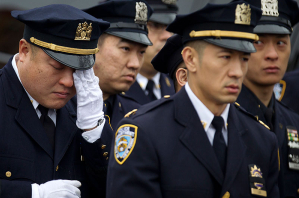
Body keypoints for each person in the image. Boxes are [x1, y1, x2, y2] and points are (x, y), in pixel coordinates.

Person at [106, 1, 280, 197]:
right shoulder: (147, 133)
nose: (237, 72)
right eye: (225, 57)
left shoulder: (262, 140)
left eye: (244, 59)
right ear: (190, 59)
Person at [0, 4, 110, 198]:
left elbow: (113, 187)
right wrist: (31, 194)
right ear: (24, 50)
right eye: (58, 67)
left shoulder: (84, 108)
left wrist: (94, 132)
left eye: (78, 70)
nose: (68, 82)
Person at [83, 0, 153, 196]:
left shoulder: (140, 112)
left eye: (141, 53)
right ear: (94, 46)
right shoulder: (58, 103)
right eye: (125, 49)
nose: (135, 64)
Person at [235, 0, 299, 197]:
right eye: (258, 42)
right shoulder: (222, 119)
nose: (272, 54)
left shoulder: (293, 122)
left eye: (281, 43)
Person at [125, 0, 177, 104]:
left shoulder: (179, 86)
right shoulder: (108, 87)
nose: (167, 36)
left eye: (170, 27)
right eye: (155, 25)